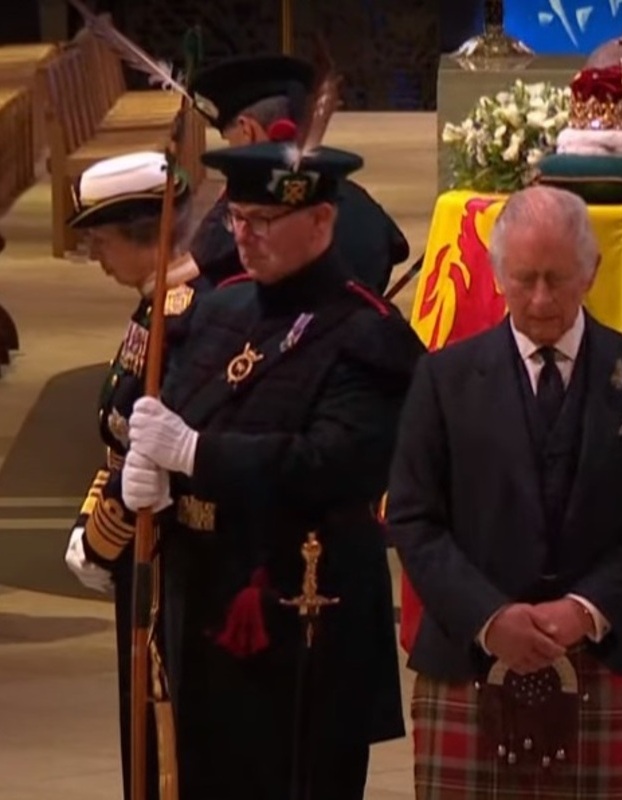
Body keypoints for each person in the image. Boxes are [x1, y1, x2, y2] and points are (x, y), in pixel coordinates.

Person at [117, 138, 424, 800]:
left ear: (320, 221)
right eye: (236, 219)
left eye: (263, 222)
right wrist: (151, 481)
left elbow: (334, 463)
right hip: (202, 603)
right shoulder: (220, 308)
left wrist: (197, 455)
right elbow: (173, 414)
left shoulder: (368, 335)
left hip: (304, 618)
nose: (244, 237)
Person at [386, 185, 622, 799]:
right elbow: (415, 520)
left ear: (592, 271)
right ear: (498, 274)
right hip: (468, 664)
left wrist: (584, 611)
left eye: (558, 279)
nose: (540, 299)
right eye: (524, 279)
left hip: (608, 658)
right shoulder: (442, 378)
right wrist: (489, 617)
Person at [61, 149, 213, 800]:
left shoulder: (184, 315)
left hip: (168, 556)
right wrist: (92, 530)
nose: (97, 258)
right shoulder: (155, 307)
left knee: (164, 738)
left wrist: (104, 536)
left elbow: (149, 445)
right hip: (132, 542)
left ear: (141, 235)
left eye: (101, 241)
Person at [185, 54, 411, 292]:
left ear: (247, 130)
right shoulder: (368, 212)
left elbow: (187, 289)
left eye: (229, 139)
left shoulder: (237, 225)